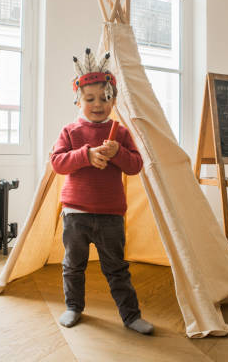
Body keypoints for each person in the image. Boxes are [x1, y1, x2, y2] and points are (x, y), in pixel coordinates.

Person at [50, 48, 154, 335]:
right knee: (73, 266)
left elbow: (135, 166)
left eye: (105, 98)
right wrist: (86, 155)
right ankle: (74, 307)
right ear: (78, 100)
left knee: (117, 269)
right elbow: (58, 163)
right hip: (75, 215)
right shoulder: (70, 131)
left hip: (111, 215)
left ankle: (131, 316)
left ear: (114, 100)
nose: (98, 104)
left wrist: (118, 152)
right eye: (90, 99)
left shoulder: (119, 133)